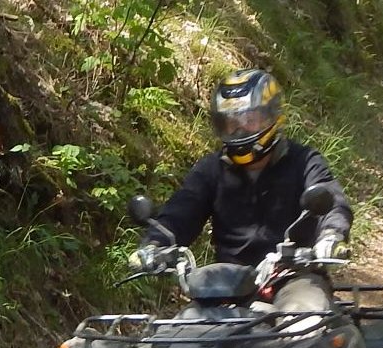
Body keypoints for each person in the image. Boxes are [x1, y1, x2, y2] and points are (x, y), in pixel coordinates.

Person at [128, 68, 355, 313]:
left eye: (249, 119)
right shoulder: (210, 170)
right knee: (182, 335)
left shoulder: (304, 162)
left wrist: (331, 236)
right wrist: (154, 244)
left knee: (307, 319)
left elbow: (332, 203)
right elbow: (180, 213)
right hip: (225, 283)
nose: (239, 129)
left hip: (294, 276)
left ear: (272, 116)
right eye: (231, 122)